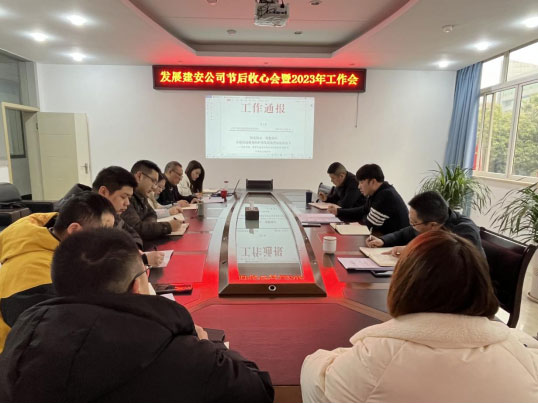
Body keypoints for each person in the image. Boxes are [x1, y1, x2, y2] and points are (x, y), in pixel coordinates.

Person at [0, 228, 275, 402]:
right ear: (137, 286)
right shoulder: (179, 355)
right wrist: (211, 347)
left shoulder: (19, 343)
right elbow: (258, 390)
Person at [301, 230, 538, 402]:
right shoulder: (524, 360)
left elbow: (315, 378)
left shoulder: (374, 359)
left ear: (404, 284)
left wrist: (346, 353)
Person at [0, 192, 116, 352]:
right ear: (74, 230)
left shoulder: (59, 246)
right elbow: (53, 339)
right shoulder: (32, 273)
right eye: (103, 233)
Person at [366, 191, 484, 256]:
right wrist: (383, 241)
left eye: (414, 223)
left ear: (432, 225)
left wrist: (410, 250)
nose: (411, 226)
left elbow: (446, 257)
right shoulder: (429, 221)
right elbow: (404, 233)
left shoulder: (465, 232)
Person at [328, 164, 409, 234]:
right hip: (383, 237)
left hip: (396, 243)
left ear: (373, 182)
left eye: (361, 182)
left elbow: (369, 225)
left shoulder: (386, 195)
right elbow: (363, 210)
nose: (359, 186)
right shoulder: (377, 192)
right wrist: (338, 212)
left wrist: (365, 215)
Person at [121, 160, 184, 240]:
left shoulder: (141, 195)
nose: (154, 187)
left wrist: (147, 227)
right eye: (153, 181)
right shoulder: (126, 197)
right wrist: (168, 226)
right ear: (139, 176)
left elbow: (152, 214)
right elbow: (136, 229)